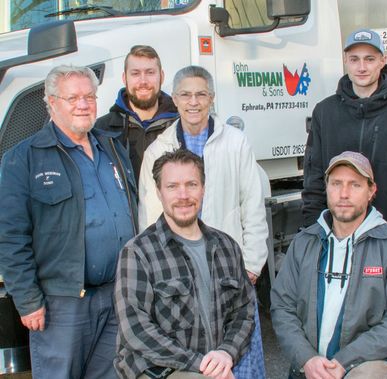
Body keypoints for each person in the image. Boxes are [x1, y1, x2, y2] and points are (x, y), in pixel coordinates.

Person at [0, 65, 137, 378]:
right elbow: (10, 237)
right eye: (72, 97)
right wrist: (27, 299)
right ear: (51, 102)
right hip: (61, 304)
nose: (83, 104)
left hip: (116, 294)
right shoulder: (25, 158)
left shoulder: (112, 147)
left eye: (89, 96)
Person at [137, 65, 268, 377]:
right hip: (178, 280)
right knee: (195, 362)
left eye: (200, 94)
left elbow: (252, 206)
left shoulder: (235, 143)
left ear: (212, 98)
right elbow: (150, 220)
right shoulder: (158, 150)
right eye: (185, 94)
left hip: (230, 273)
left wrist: (251, 264)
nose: (193, 102)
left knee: (238, 356)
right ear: (175, 99)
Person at [272, 151, 387, 379]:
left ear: (372, 191)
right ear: (326, 188)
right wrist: (307, 359)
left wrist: (343, 361)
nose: (344, 193)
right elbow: (282, 307)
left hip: (369, 364)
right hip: (312, 367)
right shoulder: (304, 243)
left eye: (355, 185)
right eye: (336, 183)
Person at [114, 148, 254, 379]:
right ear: (159, 192)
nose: (183, 195)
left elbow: (244, 312)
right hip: (158, 369)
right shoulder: (138, 253)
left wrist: (226, 354)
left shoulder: (227, 247)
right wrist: (201, 365)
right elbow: (136, 329)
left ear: (203, 189)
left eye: (191, 184)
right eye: (172, 186)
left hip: (213, 365)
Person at [301, 28, 387, 258]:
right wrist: (312, 227)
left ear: (382, 62)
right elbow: (314, 175)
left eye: (370, 59)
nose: (362, 67)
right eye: (354, 59)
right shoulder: (325, 111)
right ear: (345, 61)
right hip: (336, 234)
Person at [95, 45, 178, 181]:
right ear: (124, 78)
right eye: (135, 73)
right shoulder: (101, 130)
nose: (143, 81)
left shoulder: (179, 125)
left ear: (161, 76)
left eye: (150, 72)